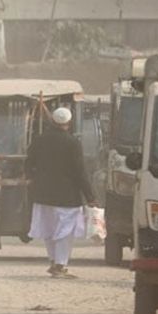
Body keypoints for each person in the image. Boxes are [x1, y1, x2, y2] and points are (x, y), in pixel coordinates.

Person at [26, 106, 96, 279]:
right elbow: (80, 171)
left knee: (49, 230)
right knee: (65, 232)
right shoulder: (72, 142)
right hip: (67, 197)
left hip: (43, 194)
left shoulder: (39, 140)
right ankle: (60, 265)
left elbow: (29, 163)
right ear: (68, 122)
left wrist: (31, 179)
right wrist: (90, 196)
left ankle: (53, 261)